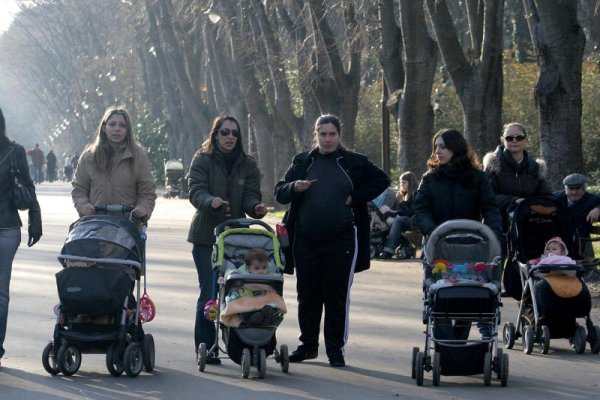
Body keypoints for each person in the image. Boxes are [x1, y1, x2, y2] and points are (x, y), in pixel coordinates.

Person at [274, 114, 390, 367]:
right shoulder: (303, 161)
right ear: (315, 135)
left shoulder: (353, 162)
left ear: (339, 135)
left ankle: (335, 349)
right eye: (322, 134)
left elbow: (383, 180)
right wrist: (295, 186)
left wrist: (356, 196)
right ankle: (308, 345)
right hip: (305, 238)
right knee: (307, 294)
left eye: (332, 134)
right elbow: (279, 192)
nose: (327, 139)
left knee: (336, 295)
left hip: (342, 240)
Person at [187, 115, 268, 365]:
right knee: (211, 292)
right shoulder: (202, 159)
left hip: (235, 238)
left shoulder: (248, 164)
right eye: (224, 132)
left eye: (234, 133)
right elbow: (195, 190)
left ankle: (242, 343)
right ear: (215, 134)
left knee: (238, 289)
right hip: (206, 237)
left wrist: (255, 208)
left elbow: (251, 196)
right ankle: (207, 346)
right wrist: (209, 201)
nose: (230, 137)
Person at [413, 128, 501, 340]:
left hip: (471, 244)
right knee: (438, 292)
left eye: (443, 147)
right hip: (438, 245)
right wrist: (432, 231)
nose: (438, 151)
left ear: (456, 148)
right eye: (436, 147)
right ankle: (445, 344)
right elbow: (421, 208)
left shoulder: (477, 178)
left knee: (467, 292)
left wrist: (493, 233)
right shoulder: (430, 179)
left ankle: (459, 342)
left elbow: (489, 207)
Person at [482, 122, 551, 296]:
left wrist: (534, 205)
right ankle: (491, 292)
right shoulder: (493, 165)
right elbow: (487, 196)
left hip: (527, 223)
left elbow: (545, 195)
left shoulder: (536, 167)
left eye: (519, 137)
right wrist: (514, 201)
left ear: (525, 141)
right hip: (499, 222)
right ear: (502, 140)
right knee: (497, 259)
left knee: (529, 257)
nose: (514, 141)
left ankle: (528, 290)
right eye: (509, 137)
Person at [0, 106, 42, 366]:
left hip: (6, 228)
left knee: (0, 292)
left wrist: (34, 220)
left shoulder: (14, 151)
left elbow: (28, 185)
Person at [71, 106, 157, 220]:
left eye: (122, 125)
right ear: (104, 128)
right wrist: (83, 205)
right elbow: (79, 189)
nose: (117, 129)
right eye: (112, 124)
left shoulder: (138, 156)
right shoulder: (89, 156)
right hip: (95, 222)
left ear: (128, 130)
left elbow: (147, 191)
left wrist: (143, 208)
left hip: (128, 223)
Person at [554, 173, 600, 259]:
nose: (574, 192)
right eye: (571, 189)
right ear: (565, 189)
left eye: (578, 188)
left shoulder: (591, 199)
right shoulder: (557, 198)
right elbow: (540, 200)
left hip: (577, 242)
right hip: (556, 239)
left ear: (584, 188)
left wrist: (598, 208)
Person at [380, 171, 418, 259]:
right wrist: (390, 212)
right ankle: (407, 245)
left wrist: (401, 202)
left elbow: (411, 212)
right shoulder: (405, 194)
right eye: (401, 182)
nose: (402, 185)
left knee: (398, 221)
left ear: (411, 182)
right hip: (407, 219)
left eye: (404, 182)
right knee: (388, 222)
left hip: (415, 219)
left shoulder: (416, 193)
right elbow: (401, 212)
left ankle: (388, 251)